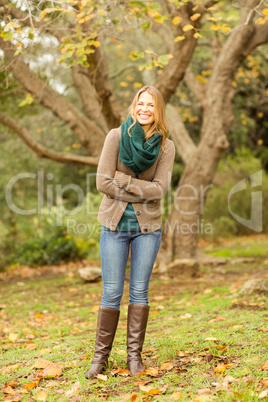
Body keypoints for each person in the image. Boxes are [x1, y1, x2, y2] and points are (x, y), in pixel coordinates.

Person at [84, 85, 175, 379]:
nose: (145, 109)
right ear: (134, 106)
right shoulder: (115, 136)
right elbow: (102, 182)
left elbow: (160, 190)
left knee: (139, 291)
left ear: (157, 110)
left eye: (150, 105)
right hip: (113, 226)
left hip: (148, 229)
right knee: (111, 292)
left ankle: (133, 358)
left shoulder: (165, 147)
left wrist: (124, 181)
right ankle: (100, 360)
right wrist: (141, 191)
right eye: (141, 103)